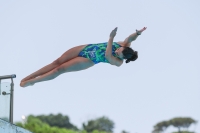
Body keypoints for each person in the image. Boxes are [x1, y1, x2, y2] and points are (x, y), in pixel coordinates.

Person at [20, 27, 147, 87]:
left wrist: (111, 38)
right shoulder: (124, 45)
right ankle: (29, 76)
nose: (117, 50)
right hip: (87, 48)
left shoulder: (118, 62)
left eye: (118, 52)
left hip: (89, 60)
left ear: (122, 57)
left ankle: (34, 81)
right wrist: (138, 33)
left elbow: (108, 55)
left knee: (59, 69)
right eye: (120, 49)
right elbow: (130, 38)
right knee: (57, 61)